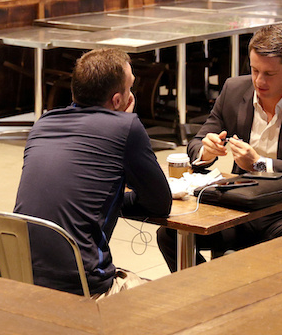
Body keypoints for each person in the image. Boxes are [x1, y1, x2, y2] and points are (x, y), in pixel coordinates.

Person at [156, 25, 282, 273]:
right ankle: (208, 298)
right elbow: (197, 142)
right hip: (242, 206)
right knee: (170, 235)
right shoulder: (234, 90)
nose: (259, 81)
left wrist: (259, 164)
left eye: (269, 74)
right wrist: (207, 151)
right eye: (254, 70)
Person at [14, 48, 171, 299]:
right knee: (168, 302)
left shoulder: (43, 124)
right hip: (81, 288)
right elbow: (160, 203)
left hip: (21, 279)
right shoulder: (126, 126)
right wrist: (123, 124)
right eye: (131, 88)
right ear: (118, 100)